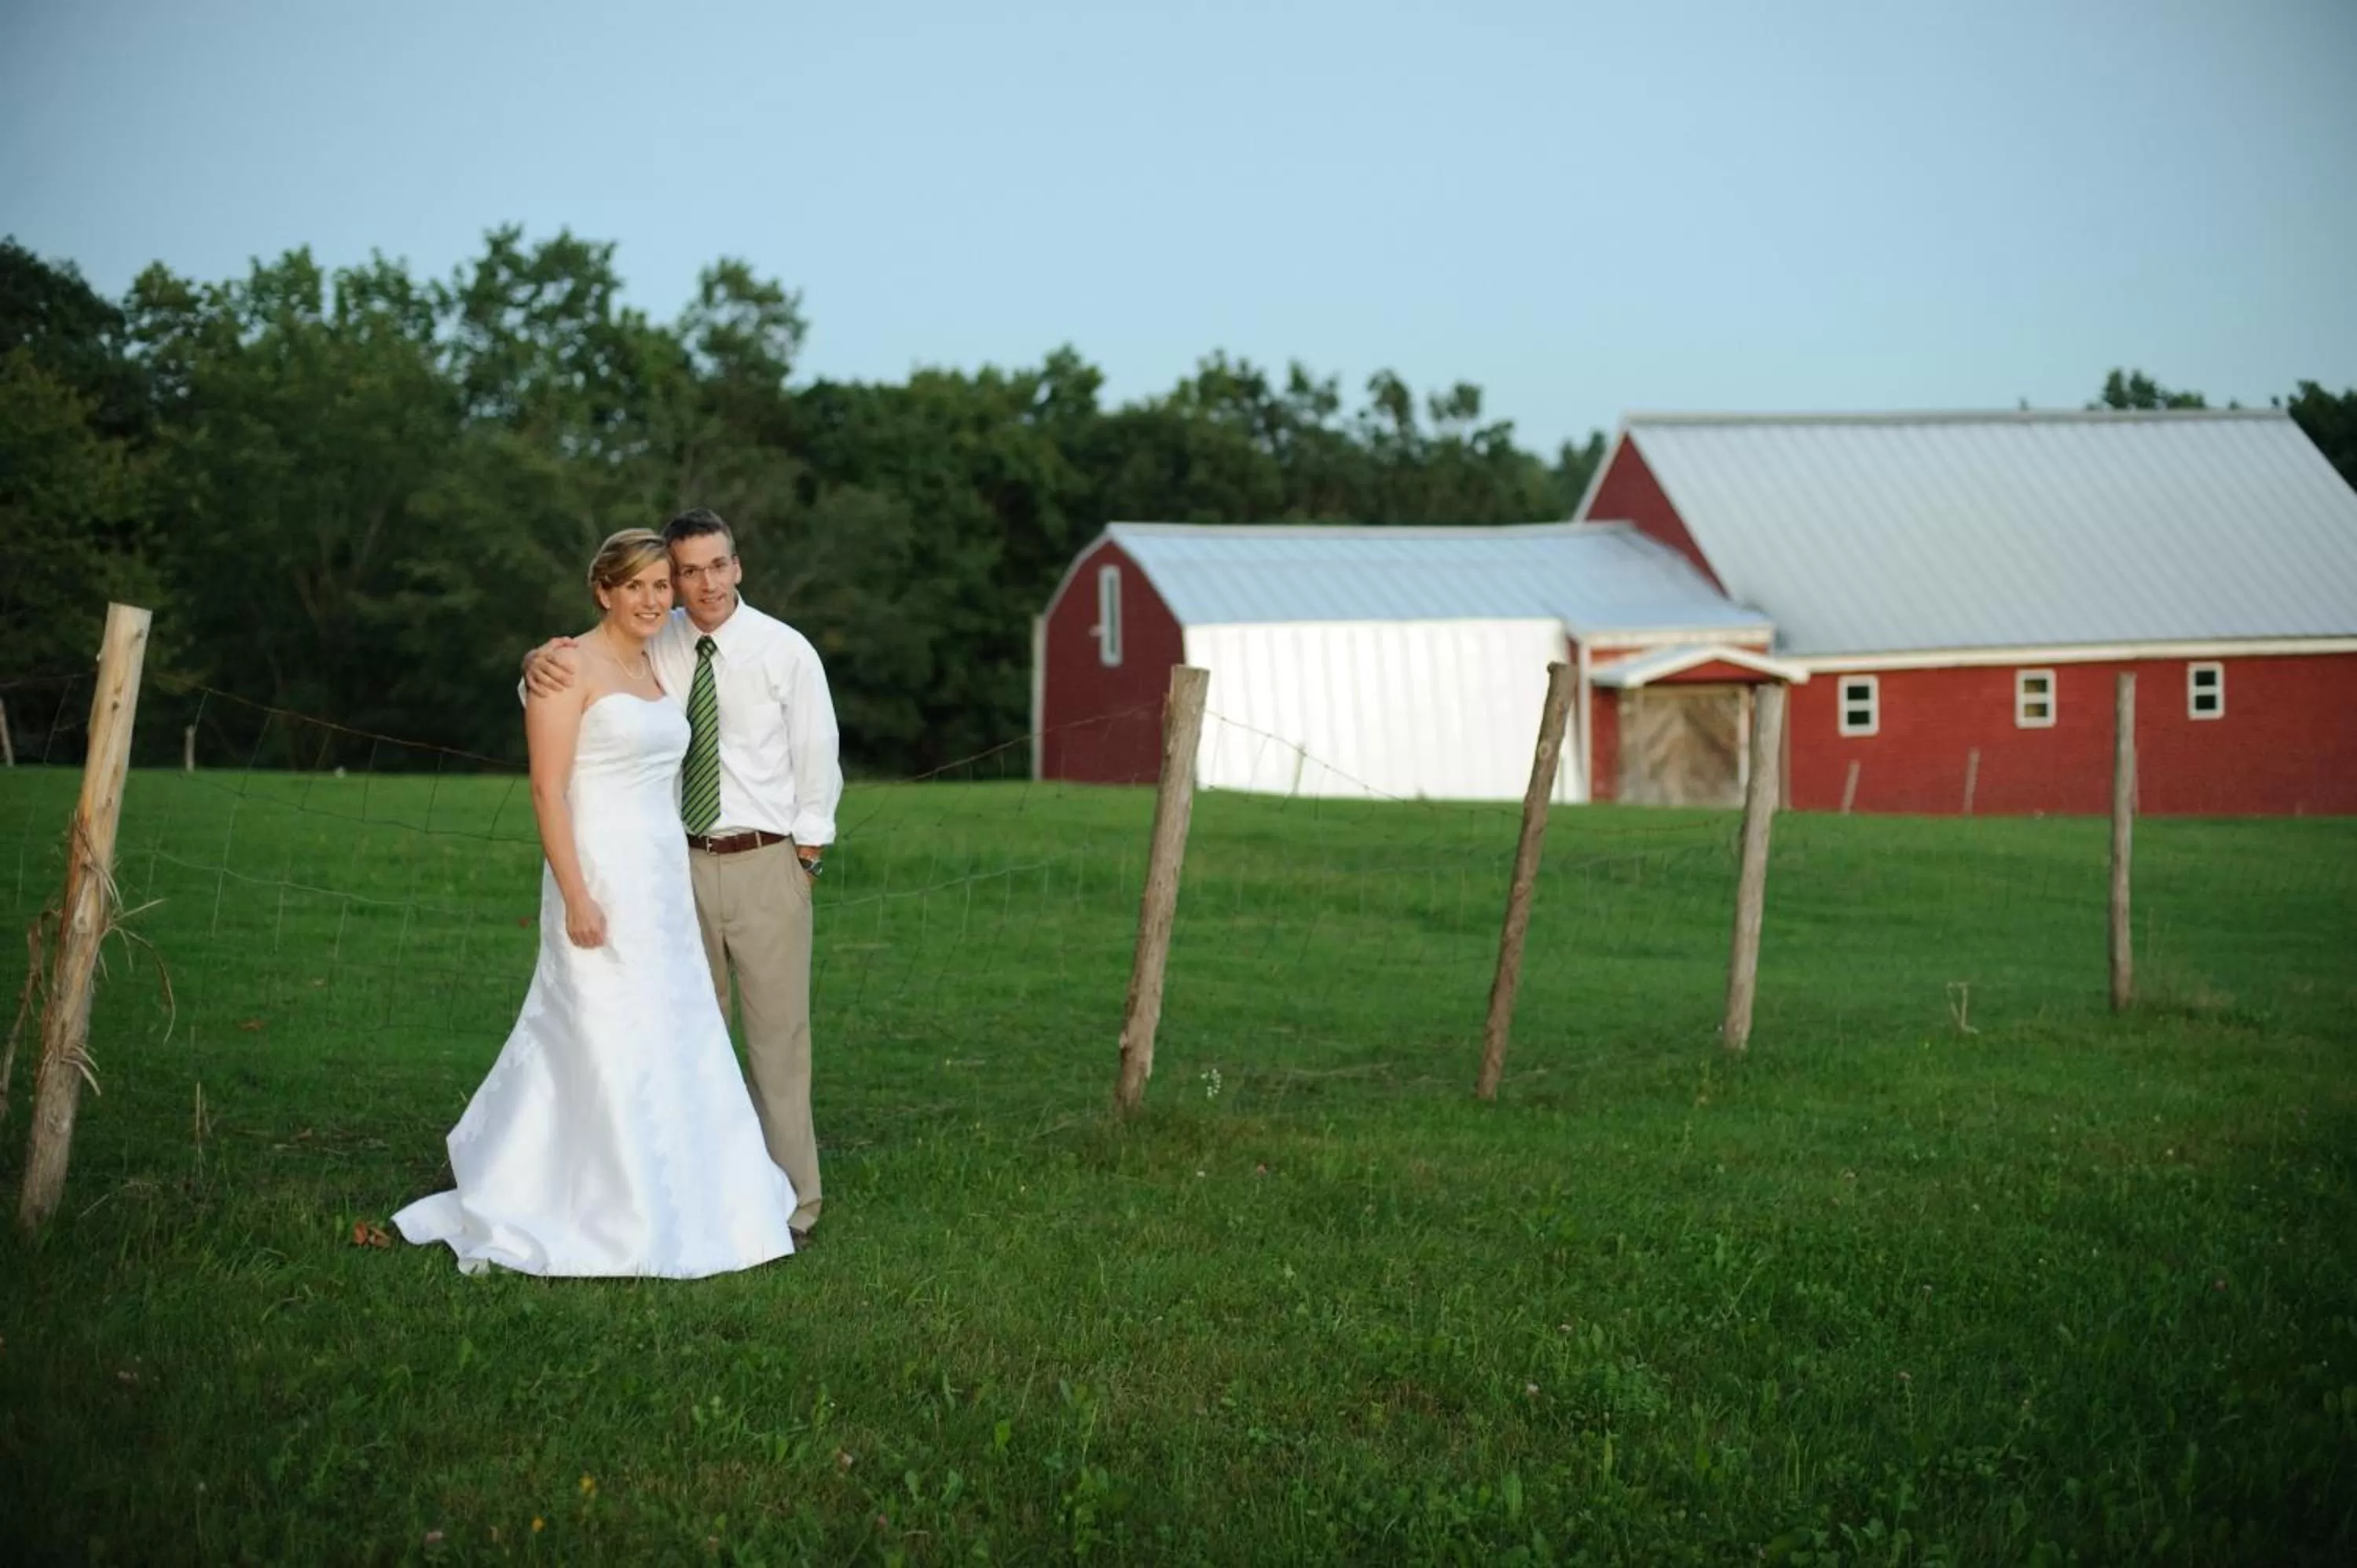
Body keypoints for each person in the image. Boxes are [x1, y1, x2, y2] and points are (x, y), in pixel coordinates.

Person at [394, 529, 801, 1277]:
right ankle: (597, 1200)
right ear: (602, 591)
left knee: (671, 1026)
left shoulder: (658, 657)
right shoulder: (567, 667)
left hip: (661, 880)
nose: (654, 600)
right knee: (596, 1022)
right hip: (598, 873)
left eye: (661, 586)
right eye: (636, 586)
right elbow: (549, 790)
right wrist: (577, 893)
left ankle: (688, 1188)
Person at [522, 507, 841, 1246]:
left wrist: (805, 861)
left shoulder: (784, 651)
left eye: (716, 566)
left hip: (766, 861)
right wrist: (536, 658)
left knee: (776, 1044)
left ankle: (793, 1204)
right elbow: (578, 685)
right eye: (685, 572)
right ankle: (695, 1187)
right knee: (685, 1036)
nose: (702, 585)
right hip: (670, 867)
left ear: (739, 565)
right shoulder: (656, 638)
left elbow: (817, 756)